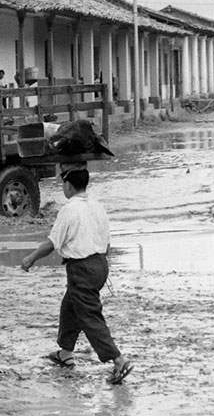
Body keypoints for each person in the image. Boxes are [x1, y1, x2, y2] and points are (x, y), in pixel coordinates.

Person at [21, 164, 133, 384]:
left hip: (82, 268)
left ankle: (117, 359)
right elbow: (107, 243)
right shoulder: (97, 206)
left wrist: (31, 258)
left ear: (68, 186)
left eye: (63, 183)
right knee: (71, 305)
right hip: (100, 264)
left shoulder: (70, 209)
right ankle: (65, 352)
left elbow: (52, 243)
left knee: (89, 315)